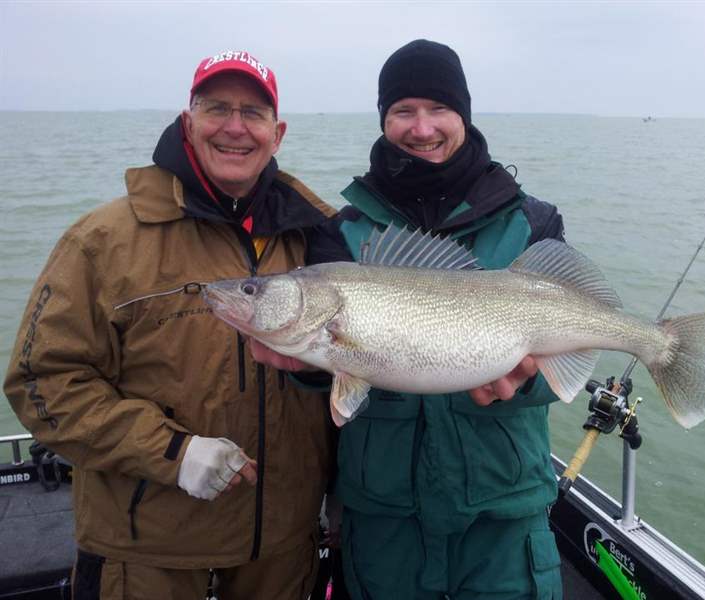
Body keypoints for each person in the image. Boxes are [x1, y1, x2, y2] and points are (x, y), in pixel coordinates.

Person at [4, 50, 337, 600]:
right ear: (188, 121)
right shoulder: (103, 239)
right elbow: (40, 383)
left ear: (277, 134)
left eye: (253, 113)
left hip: (281, 549)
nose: (234, 127)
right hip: (147, 553)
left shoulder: (315, 235)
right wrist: (170, 453)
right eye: (216, 108)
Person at [253, 39, 565, 599]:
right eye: (402, 111)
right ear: (383, 120)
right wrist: (302, 368)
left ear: (463, 115)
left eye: (438, 108)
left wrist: (530, 380)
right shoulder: (341, 232)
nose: (421, 128)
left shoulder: (534, 222)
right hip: (385, 521)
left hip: (504, 514)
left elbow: (564, 358)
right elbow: (334, 374)